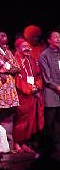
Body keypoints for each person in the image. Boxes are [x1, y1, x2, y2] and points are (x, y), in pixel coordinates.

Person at [13, 38, 44, 153]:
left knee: (31, 120)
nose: (27, 48)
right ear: (17, 48)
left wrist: (37, 86)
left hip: (32, 94)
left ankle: (25, 142)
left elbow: (38, 75)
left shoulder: (31, 59)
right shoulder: (14, 61)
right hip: (22, 94)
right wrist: (30, 88)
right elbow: (16, 79)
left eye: (28, 46)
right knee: (21, 120)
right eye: (24, 46)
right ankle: (16, 142)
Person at [38, 29, 60, 158]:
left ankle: (57, 147)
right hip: (51, 93)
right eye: (55, 37)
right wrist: (57, 87)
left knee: (59, 123)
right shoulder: (44, 55)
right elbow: (46, 79)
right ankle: (46, 148)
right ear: (49, 40)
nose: (58, 39)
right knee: (49, 123)